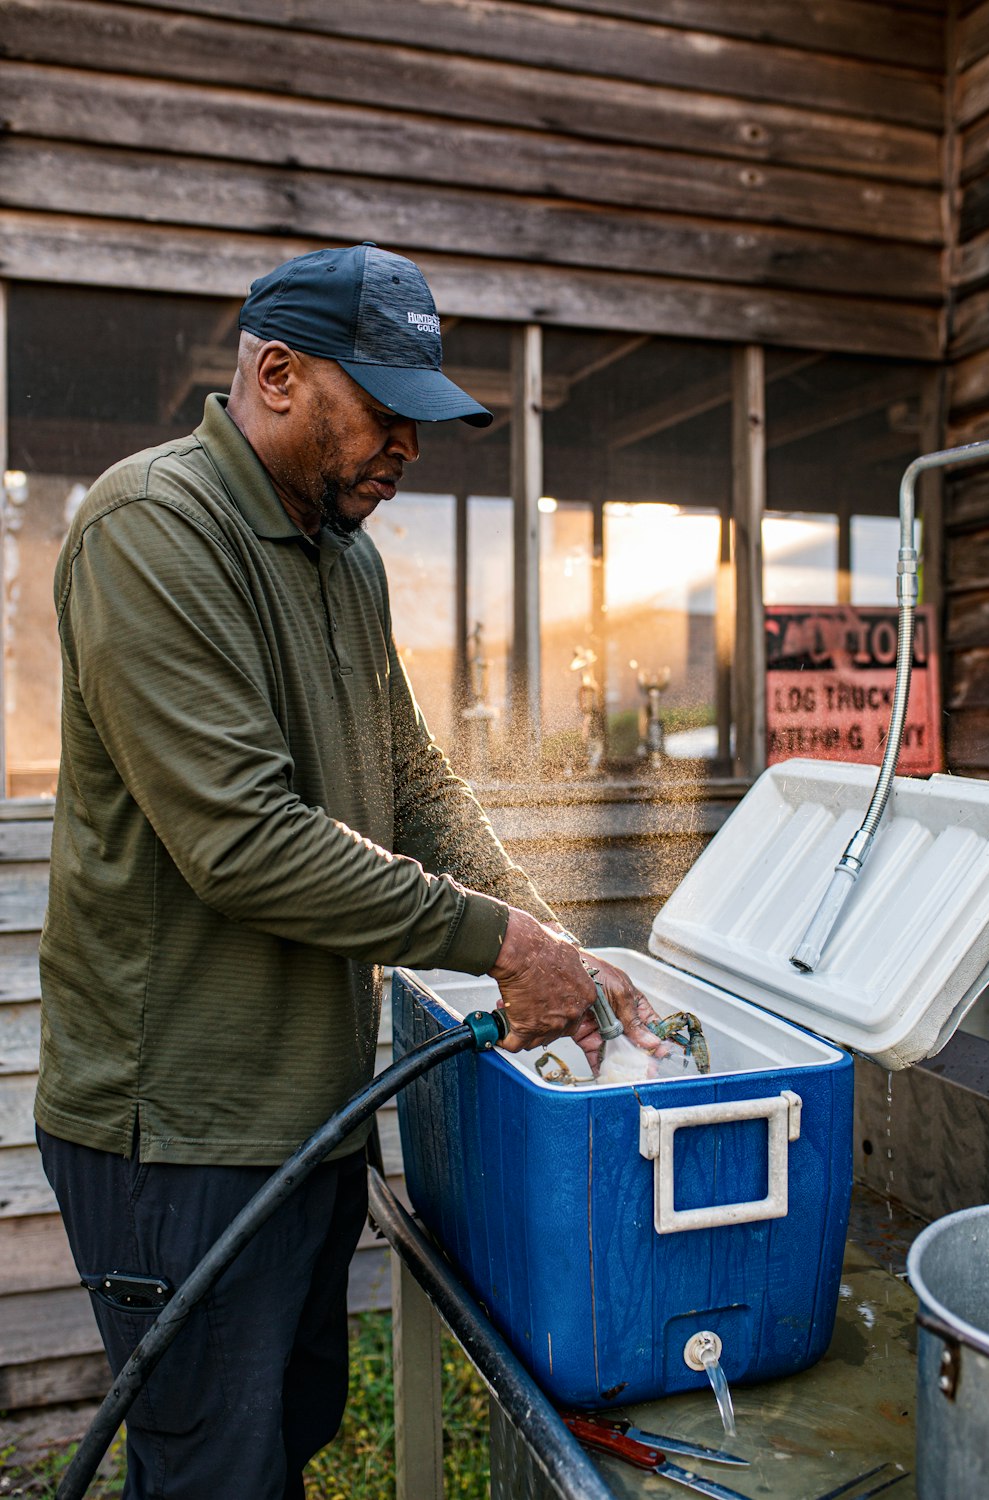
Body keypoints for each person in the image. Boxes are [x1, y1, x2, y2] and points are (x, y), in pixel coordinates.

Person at [35, 243, 663, 1499]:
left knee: (295, 1424)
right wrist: (498, 948)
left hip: (310, 1112)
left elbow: (416, 788)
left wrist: (552, 945)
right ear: (275, 374)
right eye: (382, 412)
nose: (407, 449)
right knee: (215, 1468)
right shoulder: (151, 528)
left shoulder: (342, 556)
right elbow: (243, 840)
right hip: (181, 1130)